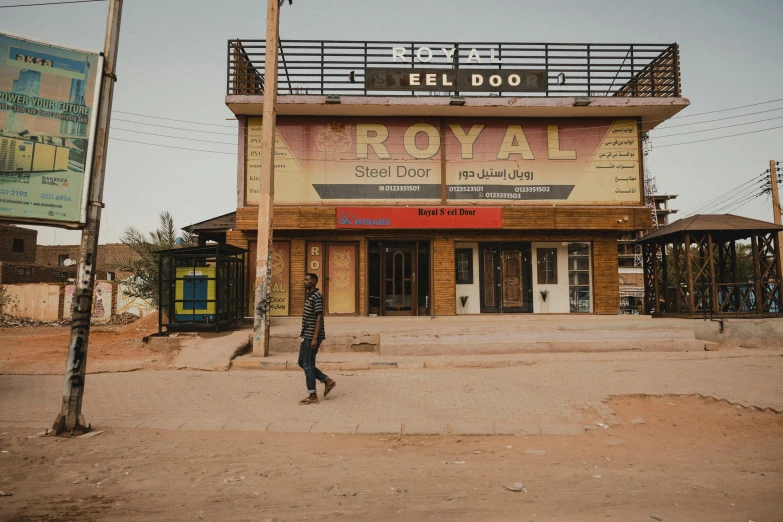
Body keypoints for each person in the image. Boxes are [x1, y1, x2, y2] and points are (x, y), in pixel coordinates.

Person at [297, 273, 335, 404]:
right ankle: (327, 380)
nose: (304, 281)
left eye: (307, 280)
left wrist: (314, 338)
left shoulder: (317, 296)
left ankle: (312, 395)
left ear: (313, 282)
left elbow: (319, 317)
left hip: (311, 336)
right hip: (306, 334)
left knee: (307, 364)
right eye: (304, 279)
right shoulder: (309, 296)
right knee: (303, 362)